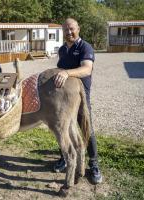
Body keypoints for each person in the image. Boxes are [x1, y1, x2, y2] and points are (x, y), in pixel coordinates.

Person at [53, 18, 102, 184]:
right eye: (66, 30)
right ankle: (64, 157)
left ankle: (94, 164)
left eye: (72, 29)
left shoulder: (85, 47)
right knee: (63, 128)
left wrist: (67, 73)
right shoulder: (62, 50)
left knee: (86, 128)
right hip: (63, 99)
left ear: (78, 29)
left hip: (80, 96)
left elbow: (87, 69)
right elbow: (58, 69)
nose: (69, 32)